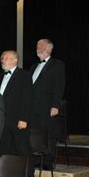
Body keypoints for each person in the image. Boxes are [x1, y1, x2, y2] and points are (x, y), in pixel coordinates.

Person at [30, 38, 66, 169]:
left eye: (41, 45)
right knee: (34, 132)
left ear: (49, 48)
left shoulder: (57, 64)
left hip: (47, 105)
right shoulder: (34, 66)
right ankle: (35, 159)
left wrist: (55, 105)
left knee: (48, 132)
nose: (37, 47)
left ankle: (47, 161)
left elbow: (59, 86)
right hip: (33, 107)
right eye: (37, 45)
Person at [0, 50, 33, 158]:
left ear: (15, 60)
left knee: (22, 148)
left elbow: (27, 98)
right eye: (2, 58)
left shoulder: (24, 74)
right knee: (3, 148)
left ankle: (29, 174)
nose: (3, 60)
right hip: (1, 120)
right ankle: (6, 174)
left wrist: (24, 118)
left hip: (17, 118)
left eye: (6, 58)